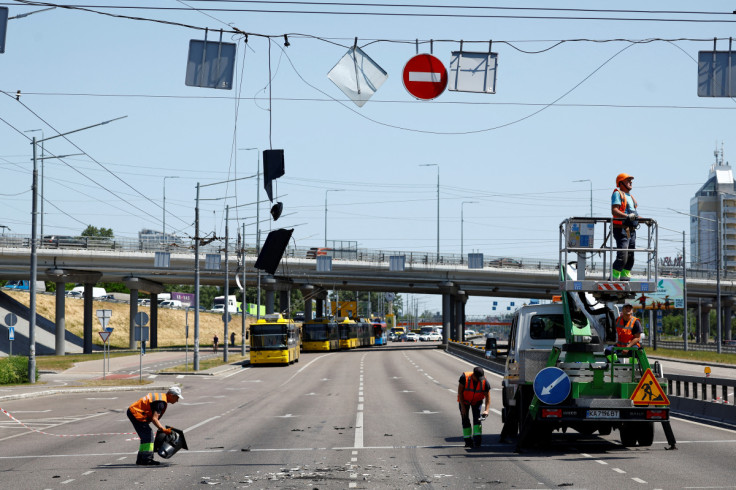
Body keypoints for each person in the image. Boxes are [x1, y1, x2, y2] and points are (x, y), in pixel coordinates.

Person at [127, 386, 182, 466]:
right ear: (171, 395)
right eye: (177, 398)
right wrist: (163, 429)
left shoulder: (162, 398)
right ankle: (147, 459)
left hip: (134, 412)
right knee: (149, 436)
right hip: (136, 413)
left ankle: (141, 459)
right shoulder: (161, 402)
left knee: (145, 437)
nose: (177, 400)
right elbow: (154, 419)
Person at [611, 173, 639, 281]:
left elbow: (634, 214)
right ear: (621, 183)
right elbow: (614, 210)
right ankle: (614, 278)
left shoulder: (630, 197)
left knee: (630, 257)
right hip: (621, 229)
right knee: (623, 255)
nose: (630, 182)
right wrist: (627, 216)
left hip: (631, 230)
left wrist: (645, 220)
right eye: (628, 180)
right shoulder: (618, 194)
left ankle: (624, 278)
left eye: (631, 180)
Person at [457, 366, 490, 448]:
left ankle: (477, 441)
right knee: (465, 419)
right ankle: (468, 441)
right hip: (464, 401)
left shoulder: (485, 382)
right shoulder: (464, 378)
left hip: (477, 401)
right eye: (478, 378)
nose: (479, 380)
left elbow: (488, 397)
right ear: (473, 375)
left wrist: (486, 410)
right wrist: (463, 408)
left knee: (477, 419)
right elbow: (460, 393)